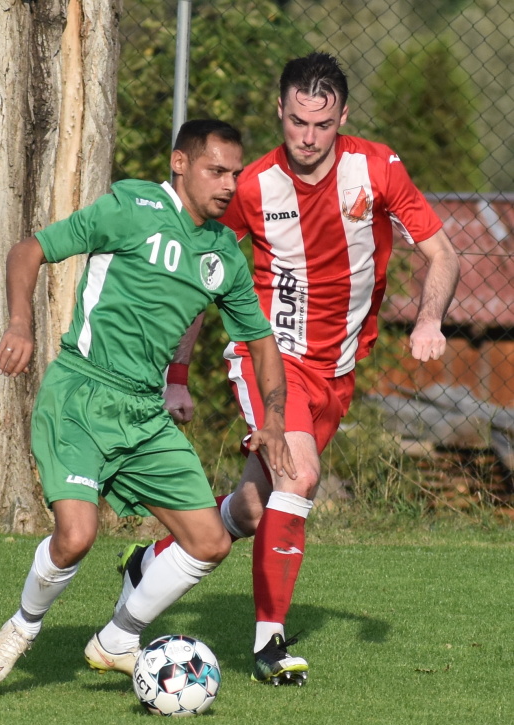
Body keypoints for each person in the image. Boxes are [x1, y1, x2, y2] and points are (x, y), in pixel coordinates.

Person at [114, 52, 461, 686]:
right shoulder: (252, 186)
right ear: (280, 111)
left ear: (342, 118)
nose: (307, 137)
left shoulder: (377, 169)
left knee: (255, 509)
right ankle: (269, 643)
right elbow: (201, 279)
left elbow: (443, 254)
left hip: (338, 370)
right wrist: (177, 374)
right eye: (297, 121)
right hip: (271, 360)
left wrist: (429, 319)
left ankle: (152, 559)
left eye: (322, 124)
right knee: (299, 476)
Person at [0, 119, 296, 685]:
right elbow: (29, 250)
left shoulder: (223, 253)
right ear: (180, 163)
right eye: (216, 171)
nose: (229, 185)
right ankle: (23, 625)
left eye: (236, 173)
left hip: (145, 414)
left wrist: (273, 420)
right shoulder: (131, 207)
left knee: (210, 542)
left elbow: (262, 341)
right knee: (76, 537)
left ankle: (118, 638)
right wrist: (21, 324)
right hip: (82, 394)